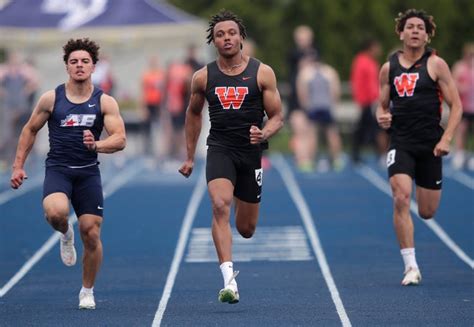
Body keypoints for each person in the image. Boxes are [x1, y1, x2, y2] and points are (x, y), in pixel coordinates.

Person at [10, 38, 127, 309]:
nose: (79, 66)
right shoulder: (52, 98)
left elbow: (120, 139)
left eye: (85, 61)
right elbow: (29, 129)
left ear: (94, 66)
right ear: (67, 67)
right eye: (74, 61)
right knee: (56, 213)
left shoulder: (104, 102)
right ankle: (65, 233)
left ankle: (87, 290)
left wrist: (96, 145)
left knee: (92, 233)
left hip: (87, 174)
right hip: (59, 170)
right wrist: (18, 165)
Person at [178, 10, 283, 304]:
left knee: (246, 229)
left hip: (250, 153)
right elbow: (193, 114)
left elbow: (277, 117)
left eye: (231, 33)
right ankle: (228, 280)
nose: (227, 38)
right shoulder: (202, 77)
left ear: (241, 38)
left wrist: (264, 134)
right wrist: (189, 156)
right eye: (220, 34)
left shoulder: (262, 72)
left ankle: (242, 194)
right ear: (214, 41)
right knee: (220, 205)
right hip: (220, 149)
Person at [376, 9, 462, 286]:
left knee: (426, 211)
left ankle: (412, 259)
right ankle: (410, 266)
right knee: (400, 196)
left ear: (427, 35)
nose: (414, 31)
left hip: (430, 144)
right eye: (409, 26)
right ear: (400, 33)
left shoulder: (436, 65)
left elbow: (456, 105)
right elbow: (382, 107)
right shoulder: (389, 68)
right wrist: (382, 116)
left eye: (420, 27)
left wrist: (446, 138)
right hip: (401, 141)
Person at [296, 53, 344, 171]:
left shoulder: (306, 73)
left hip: (313, 107)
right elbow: (336, 90)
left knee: (312, 134)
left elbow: (302, 92)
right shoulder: (330, 72)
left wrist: (305, 106)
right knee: (332, 133)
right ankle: (336, 160)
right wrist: (333, 104)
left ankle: (310, 161)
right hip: (327, 107)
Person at [287, 25, 319, 171]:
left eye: (306, 38)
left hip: (313, 97)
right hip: (296, 98)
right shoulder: (294, 54)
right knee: (300, 129)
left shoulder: (316, 53)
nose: (304, 41)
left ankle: (310, 158)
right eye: (301, 38)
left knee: (312, 129)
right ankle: (301, 159)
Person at [350, 38, 387, 164]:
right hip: (367, 102)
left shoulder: (364, 61)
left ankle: (358, 155)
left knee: (365, 129)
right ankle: (380, 155)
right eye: (377, 47)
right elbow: (367, 84)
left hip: (367, 101)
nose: (379, 50)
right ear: (370, 48)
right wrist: (375, 100)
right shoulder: (365, 62)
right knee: (377, 128)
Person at [451, 43, 474, 170]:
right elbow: (452, 82)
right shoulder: (459, 67)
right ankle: (459, 154)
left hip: (473, 105)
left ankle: (471, 155)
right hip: (463, 105)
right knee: (462, 129)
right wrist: (461, 88)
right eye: (469, 55)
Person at [140, 55, 165, 157]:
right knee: (147, 128)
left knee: (159, 128)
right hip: (149, 103)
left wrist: (163, 106)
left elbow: (164, 91)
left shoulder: (161, 75)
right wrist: (143, 107)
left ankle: (159, 151)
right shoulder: (146, 75)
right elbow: (143, 91)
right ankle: (147, 150)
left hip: (158, 104)